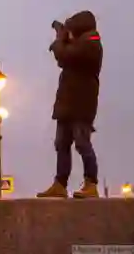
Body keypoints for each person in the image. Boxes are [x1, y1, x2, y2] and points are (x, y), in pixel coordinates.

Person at [37, 10, 103, 199]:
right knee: (62, 144)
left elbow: (65, 56)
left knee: (82, 143)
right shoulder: (82, 43)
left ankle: (91, 184)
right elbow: (64, 59)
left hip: (81, 105)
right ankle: (60, 184)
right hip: (68, 103)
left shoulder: (91, 43)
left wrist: (59, 39)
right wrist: (63, 39)